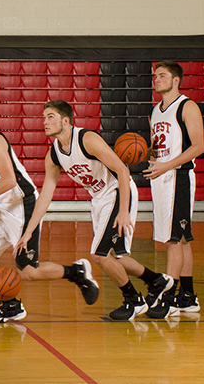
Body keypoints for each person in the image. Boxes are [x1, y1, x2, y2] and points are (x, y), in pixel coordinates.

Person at [17, 100, 176, 321]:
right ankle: (157, 281)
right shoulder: (53, 154)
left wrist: (123, 211)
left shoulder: (86, 139)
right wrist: (28, 233)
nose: (45, 122)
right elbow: (45, 197)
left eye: (50, 117)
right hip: (100, 199)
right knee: (118, 256)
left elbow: (122, 170)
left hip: (118, 192)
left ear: (66, 121)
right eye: (44, 117)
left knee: (99, 255)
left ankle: (133, 300)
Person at [0, 96, 99, 323]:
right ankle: (10, 305)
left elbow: (10, 180)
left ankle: (76, 272)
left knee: (28, 271)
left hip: (21, 204)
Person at [145, 61, 204, 316]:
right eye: (155, 76)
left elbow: (198, 147)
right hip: (161, 176)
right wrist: (149, 156)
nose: (156, 79)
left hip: (178, 177)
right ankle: (188, 296)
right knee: (181, 239)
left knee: (172, 240)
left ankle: (168, 297)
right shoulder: (155, 111)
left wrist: (167, 165)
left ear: (176, 80)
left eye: (162, 76)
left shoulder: (187, 106)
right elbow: (158, 146)